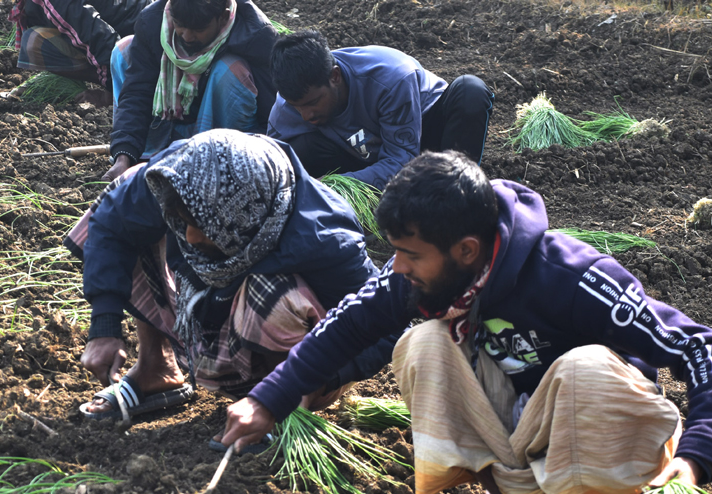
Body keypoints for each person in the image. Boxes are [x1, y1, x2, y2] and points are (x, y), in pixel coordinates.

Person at [219, 151, 712, 494]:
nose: (396, 266)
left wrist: (695, 460)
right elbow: (347, 324)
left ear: (465, 250)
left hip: (606, 450)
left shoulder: (570, 275)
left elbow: (704, 348)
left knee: (583, 368)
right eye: (395, 250)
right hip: (532, 445)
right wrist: (269, 401)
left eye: (410, 253)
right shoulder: (423, 276)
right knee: (424, 343)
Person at [78, 129, 387, 426]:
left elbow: (384, 325)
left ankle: (285, 410)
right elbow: (110, 222)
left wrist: (309, 379)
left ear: (238, 214)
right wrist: (104, 325)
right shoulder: (184, 171)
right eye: (184, 223)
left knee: (274, 294)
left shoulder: (324, 238)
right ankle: (156, 367)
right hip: (212, 322)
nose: (190, 236)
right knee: (129, 187)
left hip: (297, 370)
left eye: (201, 225)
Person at [267, 30, 494, 191]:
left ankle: (453, 191)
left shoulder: (390, 77)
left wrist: (330, 186)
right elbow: (267, 164)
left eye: (312, 103)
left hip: (423, 138)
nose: (307, 116)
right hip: (363, 152)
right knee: (295, 150)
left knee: (470, 90)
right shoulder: (287, 106)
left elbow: (402, 160)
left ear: (334, 77)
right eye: (297, 108)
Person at [104, 0, 278, 182]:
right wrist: (123, 155)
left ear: (223, 17)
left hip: (221, 131)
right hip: (169, 122)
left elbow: (270, 115)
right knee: (125, 49)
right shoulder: (152, 20)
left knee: (229, 70)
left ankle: (214, 163)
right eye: (179, 25)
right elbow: (137, 93)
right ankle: (148, 154)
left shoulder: (256, 34)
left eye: (198, 29)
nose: (187, 37)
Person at [0, 0, 149, 107]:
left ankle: (127, 86)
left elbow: (101, 38)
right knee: (34, 40)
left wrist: (112, 95)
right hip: (116, 26)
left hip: (144, 44)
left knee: (38, 43)